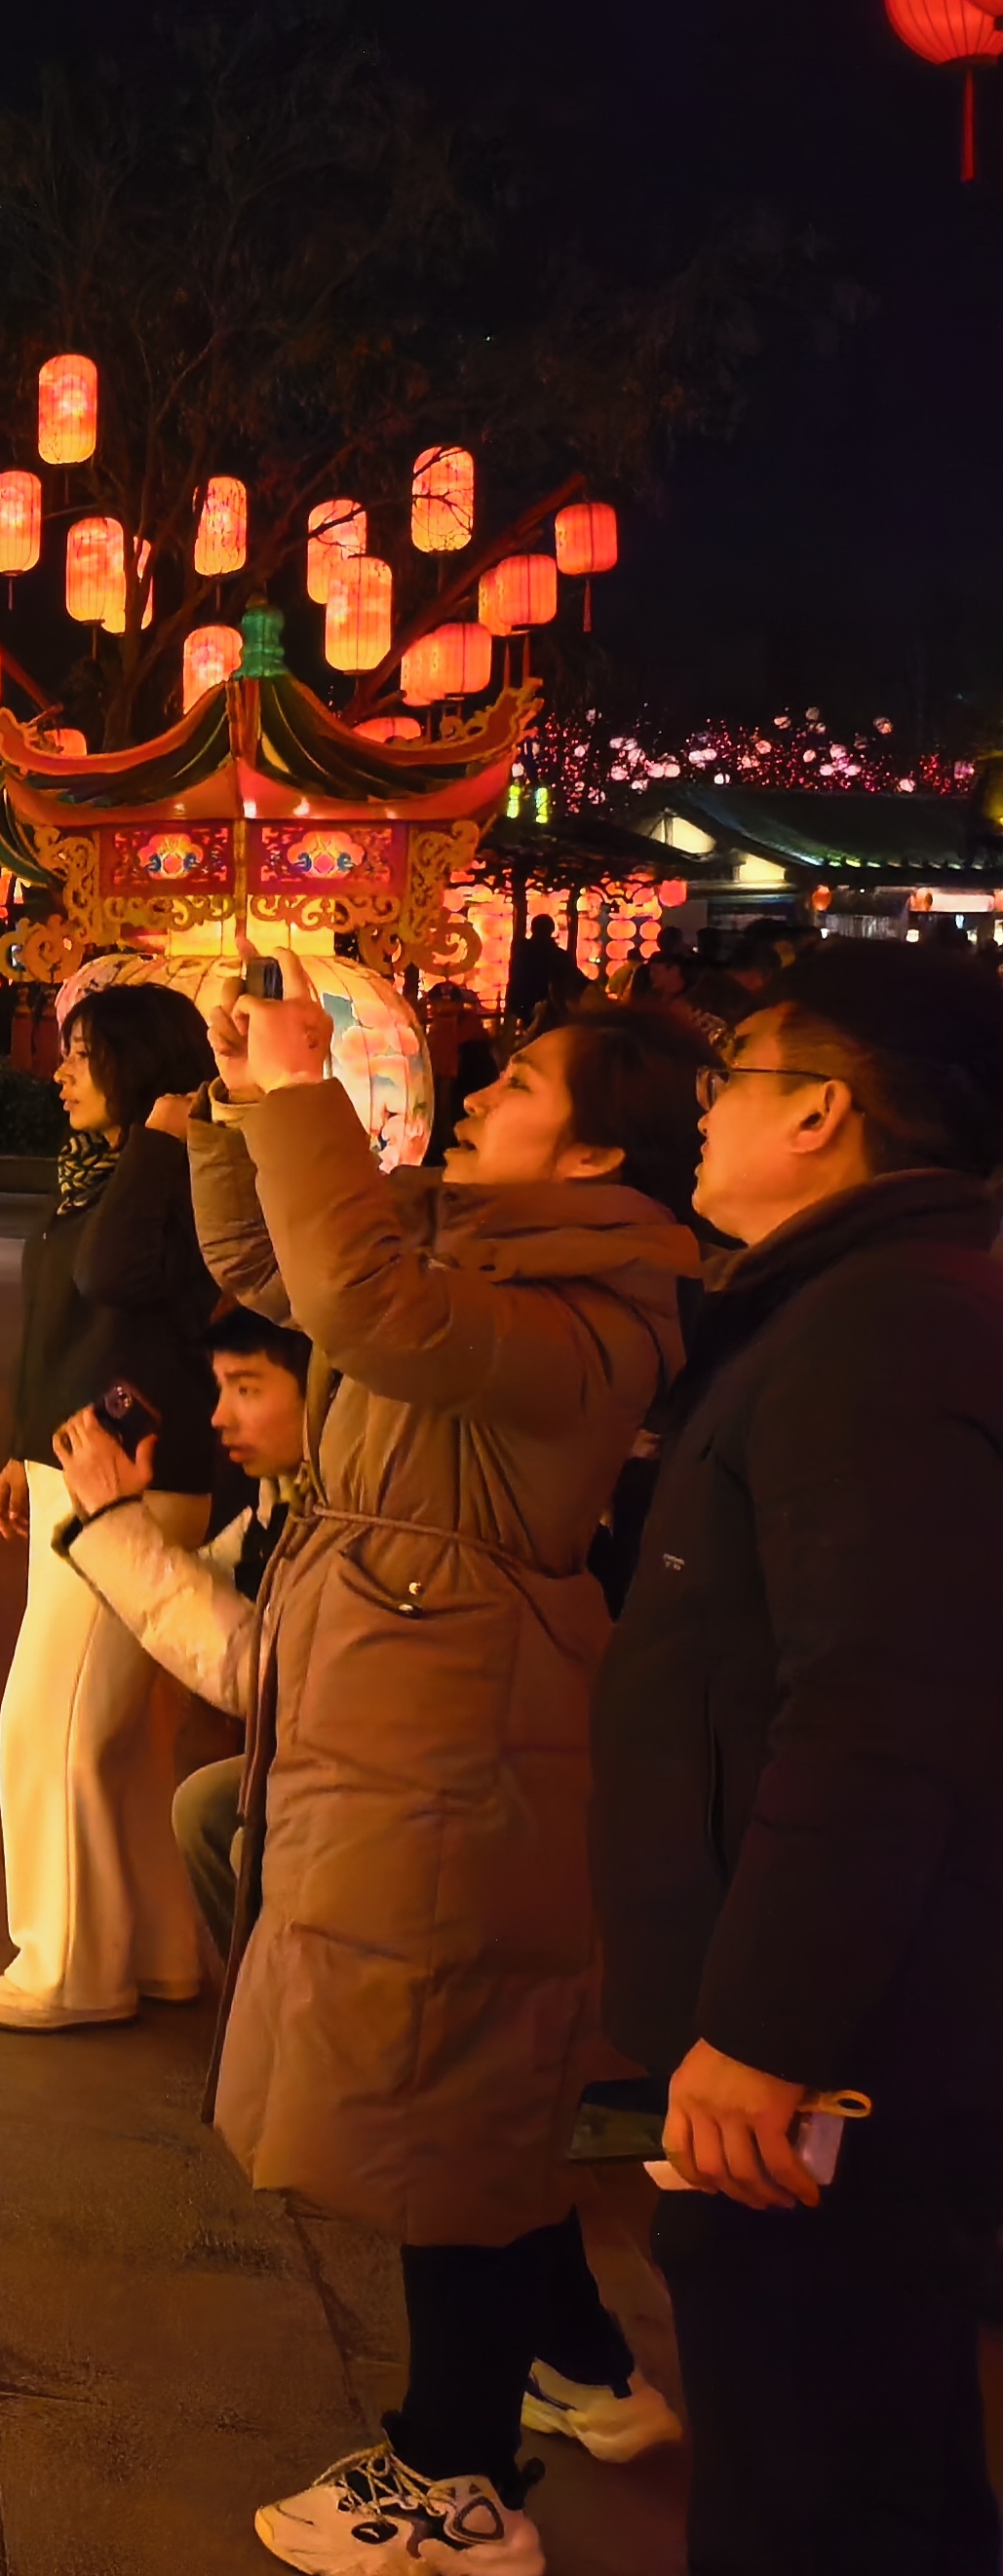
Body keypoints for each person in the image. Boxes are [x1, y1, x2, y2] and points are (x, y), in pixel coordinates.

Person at [184, 984, 712, 2574]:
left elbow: (362, 1314)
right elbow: (276, 1269)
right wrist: (235, 1112)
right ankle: (582, 2364)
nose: (482, 1096)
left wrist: (301, 1096)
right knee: (461, 2070)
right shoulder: (475, 1238)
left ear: (607, 1146)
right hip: (399, 1691)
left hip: (451, 1717)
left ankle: (453, 2476)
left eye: (525, 1084)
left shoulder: (600, 1300)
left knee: (443, 2079)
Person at [591, 945, 1003, 2576]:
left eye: (728, 1080)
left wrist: (764, 2030)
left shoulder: (879, 1328)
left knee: (822, 2468)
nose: (700, 1116)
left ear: (821, 1110)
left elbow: (878, 1704)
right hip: (829, 2034)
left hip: (835, 2058)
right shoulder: (860, 1303)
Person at [0, 981, 221, 2032]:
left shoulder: (183, 1175)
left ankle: (67, 1966)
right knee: (120, 1739)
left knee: (54, 1724)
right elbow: (61, 1323)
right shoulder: (104, 1171)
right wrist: (17, 1449)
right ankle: (157, 1951)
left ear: (146, 1068)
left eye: (87, 1055)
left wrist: (163, 1143)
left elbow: (112, 1277)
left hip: (134, 1481)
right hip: (76, 1465)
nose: (62, 1071)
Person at [44, 1305, 313, 1972]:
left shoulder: (342, 1513)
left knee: (214, 1803)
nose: (219, 1415)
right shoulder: (279, 1499)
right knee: (208, 1802)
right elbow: (211, 1593)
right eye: (219, 1388)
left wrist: (114, 1523)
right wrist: (117, 1516)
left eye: (246, 1388)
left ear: (329, 1392)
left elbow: (258, 1671)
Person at [506, 915, 587, 1034]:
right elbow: (574, 981)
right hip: (549, 1008)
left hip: (522, 1005)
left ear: (532, 929)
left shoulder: (521, 952)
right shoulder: (558, 956)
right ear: (552, 930)